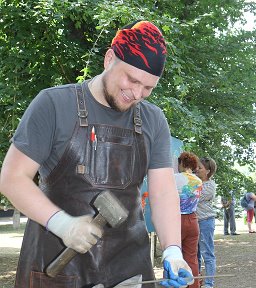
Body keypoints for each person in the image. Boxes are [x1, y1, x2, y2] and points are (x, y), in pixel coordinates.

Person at [0, 20, 193, 288]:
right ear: (109, 59)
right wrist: (62, 224)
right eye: (132, 79)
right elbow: (12, 178)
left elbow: (162, 192)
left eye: (148, 88)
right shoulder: (54, 105)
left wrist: (173, 249)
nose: (136, 93)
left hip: (129, 271)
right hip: (56, 268)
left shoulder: (153, 120)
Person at [174, 152, 203, 288]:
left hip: (176, 220)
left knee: (174, 258)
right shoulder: (198, 181)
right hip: (193, 220)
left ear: (181, 163)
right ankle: (194, 285)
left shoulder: (174, 178)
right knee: (192, 258)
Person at [195, 157, 217, 288]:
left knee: (207, 254)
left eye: (199, 167)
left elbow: (193, 196)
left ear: (208, 171)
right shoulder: (194, 182)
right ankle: (196, 281)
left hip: (205, 222)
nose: (196, 169)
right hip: (194, 223)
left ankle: (209, 283)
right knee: (194, 254)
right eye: (196, 167)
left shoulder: (209, 186)